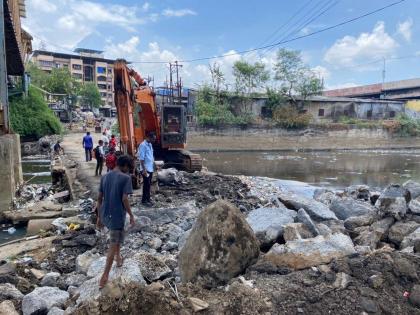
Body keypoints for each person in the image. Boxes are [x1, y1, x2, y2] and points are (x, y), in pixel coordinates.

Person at [96, 155, 135, 289]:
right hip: (117, 216)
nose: (129, 171)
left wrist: (99, 217)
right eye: (128, 168)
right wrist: (131, 214)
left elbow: (99, 199)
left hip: (106, 214)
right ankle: (105, 275)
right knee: (113, 243)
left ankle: (119, 258)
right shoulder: (126, 178)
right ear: (125, 166)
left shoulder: (105, 176)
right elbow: (125, 199)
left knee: (118, 237)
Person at [138, 132, 156, 206]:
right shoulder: (143, 145)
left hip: (150, 168)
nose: (154, 140)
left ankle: (147, 199)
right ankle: (144, 200)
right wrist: (144, 170)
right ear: (149, 137)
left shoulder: (150, 144)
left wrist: (154, 165)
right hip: (145, 169)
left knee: (148, 184)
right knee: (146, 184)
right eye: (153, 139)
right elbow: (141, 159)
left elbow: (151, 156)